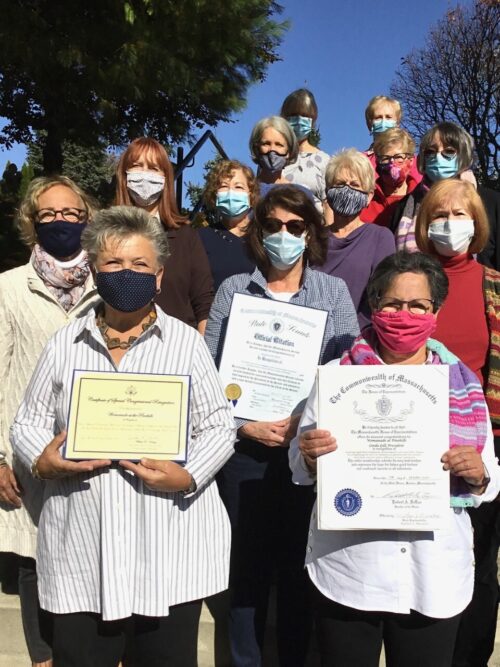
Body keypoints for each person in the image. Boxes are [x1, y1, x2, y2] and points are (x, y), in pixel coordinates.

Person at [11, 206, 236, 667]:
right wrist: (42, 460)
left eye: (139, 265)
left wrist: (187, 475)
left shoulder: (186, 344)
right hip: (84, 547)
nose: (126, 273)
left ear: (158, 276)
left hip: (168, 546)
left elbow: (218, 425)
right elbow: (27, 423)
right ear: (94, 270)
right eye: (113, 263)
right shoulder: (64, 342)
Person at [290, 251, 499, 667]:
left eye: (418, 306)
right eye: (392, 304)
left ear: (435, 312)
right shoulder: (336, 378)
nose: (405, 315)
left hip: (433, 576)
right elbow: (299, 465)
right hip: (350, 570)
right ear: (373, 306)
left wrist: (477, 474)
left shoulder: (463, 385)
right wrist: (310, 455)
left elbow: (489, 477)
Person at [204, 184, 359, 667]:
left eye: (295, 227)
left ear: (311, 232)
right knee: (245, 576)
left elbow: (348, 369)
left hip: (306, 460)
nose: (284, 235)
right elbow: (209, 377)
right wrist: (242, 427)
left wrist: (307, 424)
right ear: (259, 230)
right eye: (273, 226)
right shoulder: (234, 291)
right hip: (246, 456)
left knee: (298, 573)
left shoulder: (332, 291)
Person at [0, 175, 98, 667]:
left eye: (69, 213)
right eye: (49, 214)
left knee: (88, 550)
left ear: (86, 218)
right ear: (31, 221)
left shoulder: (109, 283)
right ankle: (44, 657)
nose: (60, 222)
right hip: (27, 446)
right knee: (32, 555)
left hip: (97, 441)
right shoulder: (9, 287)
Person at [415, 179, 500, 667]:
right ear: (426, 224)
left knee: (481, 567)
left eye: (460, 214)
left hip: (483, 450)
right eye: (439, 214)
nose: (450, 223)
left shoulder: (493, 283)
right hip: (412, 447)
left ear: (477, 223)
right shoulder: (409, 282)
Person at [114, 136, 214, 333]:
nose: (144, 175)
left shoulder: (186, 237)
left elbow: (204, 302)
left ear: (165, 177)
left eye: (153, 168)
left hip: (175, 352)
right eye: (137, 166)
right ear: (124, 175)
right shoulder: (107, 233)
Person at [391, 122, 500, 260]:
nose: (438, 157)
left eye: (449, 151)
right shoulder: (403, 207)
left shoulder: (492, 203)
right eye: (431, 151)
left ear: (464, 157)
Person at [316, 149, 395, 328]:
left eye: (355, 185)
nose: (347, 189)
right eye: (340, 184)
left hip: (355, 338)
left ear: (369, 196)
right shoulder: (313, 237)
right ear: (328, 191)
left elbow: (382, 297)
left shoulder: (380, 238)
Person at [198, 159, 258, 291]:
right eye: (224, 186)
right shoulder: (201, 238)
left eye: (238, 187)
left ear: (251, 194)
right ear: (215, 194)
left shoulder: (264, 238)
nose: (231, 193)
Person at [280, 88, 333, 224]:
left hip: (313, 236)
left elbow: (328, 206)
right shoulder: (275, 158)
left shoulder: (325, 161)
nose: (298, 120)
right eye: (293, 115)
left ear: (313, 119)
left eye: (304, 115)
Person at [361, 128, 421, 228]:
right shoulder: (365, 198)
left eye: (398, 157)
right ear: (377, 161)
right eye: (385, 158)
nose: (392, 163)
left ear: (411, 160)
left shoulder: (421, 198)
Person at [363, 95, 421, 185]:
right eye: (378, 117)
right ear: (370, 123)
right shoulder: (361, 160)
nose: (383, 121)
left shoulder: (411, 160)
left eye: (388, 117)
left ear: (397, 122)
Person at [249, 116, 299, 198]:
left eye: (279, 145)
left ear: (288, 152)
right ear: (257, 148)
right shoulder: (246, 192)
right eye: (266, 144)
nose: (272, 150)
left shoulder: (298, 195)